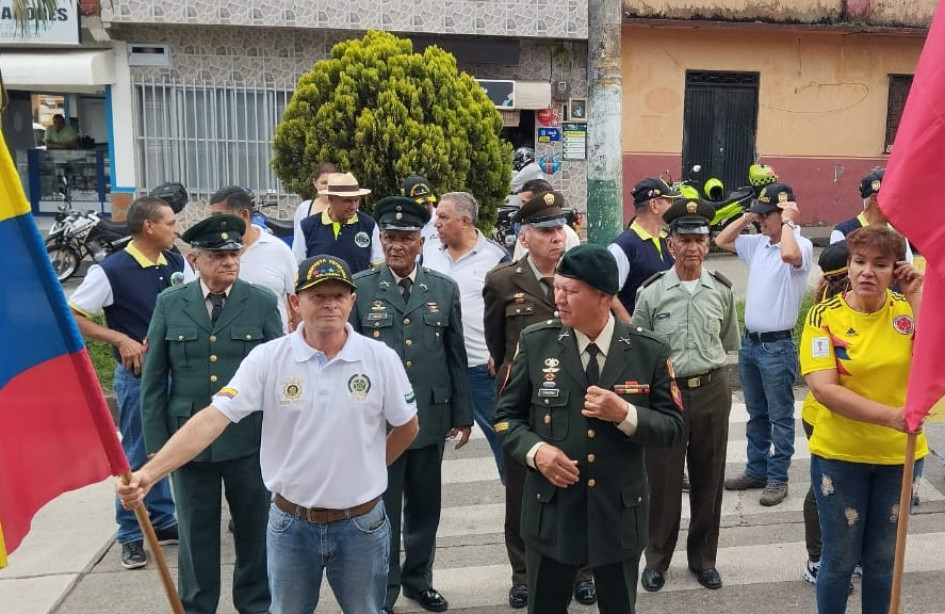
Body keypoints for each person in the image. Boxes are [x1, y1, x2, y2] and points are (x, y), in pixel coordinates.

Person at [117, 254, 420, 613]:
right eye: (318, 296)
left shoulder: (379, 358)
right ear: (295, 302)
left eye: (339, 295)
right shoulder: (268, 359)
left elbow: (407, 426)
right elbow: (213, 419)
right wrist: (150, 474)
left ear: (352, 300)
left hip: (362, 525)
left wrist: (368, 468)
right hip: (291, 525)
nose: (330, 304)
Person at [493, 243, 684, 614]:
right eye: (557, 288)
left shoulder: (648, 350)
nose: (559, 299)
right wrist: (536, 452)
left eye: (570, 291)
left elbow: (673, 428)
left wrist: (625, 413)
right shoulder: (536, 342)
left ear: (604, 297)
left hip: (618, 515)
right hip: (552, 513)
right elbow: (505, 417)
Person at [141, 215, 283, 614]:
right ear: (194, 260)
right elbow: (154, 380)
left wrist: (281, 437)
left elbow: (279, 373)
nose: (230, 262)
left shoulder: (260, 301)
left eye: (234, 254)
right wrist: (158, 445)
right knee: (195, 533)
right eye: (219, 256)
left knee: (254, 529)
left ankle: (255, 604)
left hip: (247, 439)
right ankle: (197, 606)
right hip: (188, 442)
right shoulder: (171, 303)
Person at [350, 195, 472, 613]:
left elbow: (455, 356)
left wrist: (463, 415)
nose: (396, 245)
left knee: (424, 506)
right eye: (389, 237)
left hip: (428, 417)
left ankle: (419, 581)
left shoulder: (443, 289)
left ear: (421, 242)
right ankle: (382, 590)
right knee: (381, 510)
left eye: (405, 238)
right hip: (379, 421)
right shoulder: (361, 288)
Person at [800, 225, 926, 614]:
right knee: (839, 560)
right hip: (841, 456)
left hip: (899, 457)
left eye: (880, 264)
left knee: (884, 560)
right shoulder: (824, 316)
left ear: (896, 270)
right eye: (859, 262)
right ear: (849, 267)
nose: (867, 271)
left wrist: (916, 295)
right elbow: (824, 389)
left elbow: (935, 360)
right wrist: (891, 416)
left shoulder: (906, 312)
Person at [483, 191, 596, 609]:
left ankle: (582, 571)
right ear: (524, 236)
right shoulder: (502, 281)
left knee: (578, 485)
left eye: (559, 228)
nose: (556, 237)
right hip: (526, 406)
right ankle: (523, 573)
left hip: (574, 401)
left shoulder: (580, 274)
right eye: (546, 230)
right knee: (522, 493)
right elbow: (498, 346)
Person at [68, 196, 182, 569]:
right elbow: (73, 316)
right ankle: (130, 534)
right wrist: (120, 339)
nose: (176, 229)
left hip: (175, 373)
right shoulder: (111, 271)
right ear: (149, 226)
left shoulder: (174, 262)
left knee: (163, 451)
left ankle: (161, 519)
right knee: (135, 454)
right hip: (138, 379)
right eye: (170, 222)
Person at [632, 199, 739, 592]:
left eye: (699, 239)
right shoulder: (652, 293)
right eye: (685, 239)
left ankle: (703, 559)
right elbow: (639, 347)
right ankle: (656, 559)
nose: (692, 247)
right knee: (662, 481)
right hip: (667, 394)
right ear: (670, 243)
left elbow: (727, 339)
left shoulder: (721, 291)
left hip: (711, 389)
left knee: (709, 477)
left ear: (707, 245)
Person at [716, 182, 813, 507]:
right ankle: (756, 470)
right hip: (751, 345)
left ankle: (777, 478)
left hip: (776, 347)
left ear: (783, 213)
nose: (759, 220)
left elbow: (789, 255)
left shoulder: (800, 244)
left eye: (764, 215)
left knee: (779, 416)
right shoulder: (759, 244)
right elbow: (721, 240)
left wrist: (787, 222)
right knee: (756, 413)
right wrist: (747, 216)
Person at [423, 192, 510, 481]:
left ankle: (516, 500)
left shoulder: (496, 257)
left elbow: (511, 309)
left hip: (480, 368)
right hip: (436, 366)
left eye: (443, 217)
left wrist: (501, 352)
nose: (436, 223)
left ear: (464, 220)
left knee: (503, 436)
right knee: (425, 443)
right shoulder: (430, 251)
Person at [799, 241, 851, 586]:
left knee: (847, 486)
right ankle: (816, 558)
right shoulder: (823, 316)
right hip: (822, 415)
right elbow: (821, 384)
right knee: (824, 487)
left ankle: (846, 554)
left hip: (854, 418)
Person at [180, 186, 297, 332]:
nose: (229, 262)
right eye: (213, 216)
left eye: (220, 215)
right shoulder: (207, 254)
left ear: (244, 215)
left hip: (272, 339)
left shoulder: (279, 250)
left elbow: (296, 299)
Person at [608, 177, 681, 322]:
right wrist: (632, 327)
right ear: (654, 205)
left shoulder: (667, 240)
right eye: (669, 201)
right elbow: (608, 294)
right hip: (637, 333)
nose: (673, 207)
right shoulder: (623, 247)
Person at [299, 171, 383, 273]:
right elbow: (297, 268)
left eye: (356, 200)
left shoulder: (369, 225)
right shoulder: (307, 227)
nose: (353, 206)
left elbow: (379, 268)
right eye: (347, 201)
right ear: (331, 199)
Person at [831, 168, 914, 262]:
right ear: (876, 200)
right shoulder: (843, 233)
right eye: (896, 197)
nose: (903, 203)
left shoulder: (899, 235)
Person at [511, 180, 580, 260]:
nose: (521, 207)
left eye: (524, 202)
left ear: (537, 203)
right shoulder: (526, 232)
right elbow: (519, 263)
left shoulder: (569, 235)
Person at [292, 162, 339, 262]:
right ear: (315, 183)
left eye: (332, 183)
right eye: (324, 183)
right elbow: (298, 246)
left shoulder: (348, 208)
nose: (328, 187)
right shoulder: (304, 209)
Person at [402, 174, 440, 243]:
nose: (425, 208)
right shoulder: (400, 224)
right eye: (420, 204)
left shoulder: (442, 221)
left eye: (427, 203)